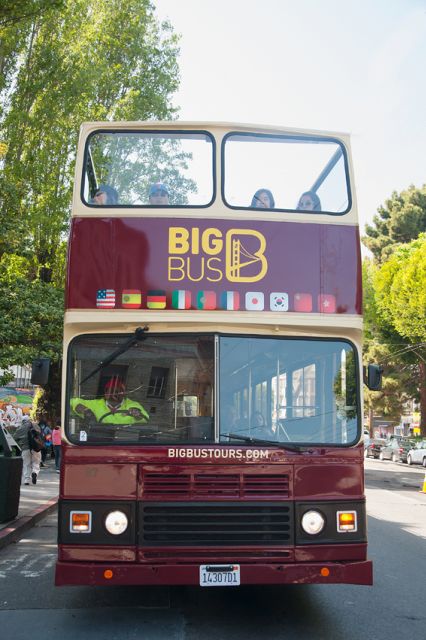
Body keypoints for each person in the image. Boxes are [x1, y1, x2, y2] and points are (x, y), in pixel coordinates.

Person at [70, 376, 149, 425]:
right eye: (111, 391)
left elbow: (145, 418)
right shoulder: (96, 404)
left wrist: (137, 414)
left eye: (118, 391)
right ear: (105, 392)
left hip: (124, 442)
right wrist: (83, 409)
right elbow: (72, 401)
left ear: (123, 394)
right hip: (99, 442)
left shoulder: (131, 405)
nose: (114, 394)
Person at [14, 416, 42, 485]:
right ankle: (34, 472)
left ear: (23, 421)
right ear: (29, 420)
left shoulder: (20, 428)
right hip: (36, 447)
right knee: (36, 462)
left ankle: (26, 480)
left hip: (25, 448)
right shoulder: (35, 425)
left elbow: (14, 437)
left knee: (26, 464)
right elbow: (40, 434)